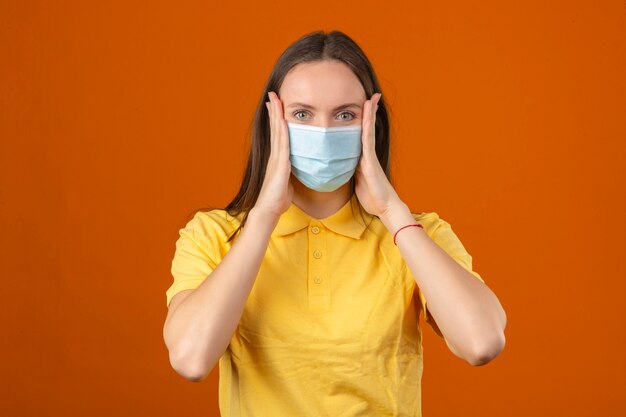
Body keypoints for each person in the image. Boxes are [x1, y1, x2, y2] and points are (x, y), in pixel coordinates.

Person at [163, 30, 507, 417]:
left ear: (371, 124)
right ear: (273, 121)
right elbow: (191, 359)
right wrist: (263, 217)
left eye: (346, 114)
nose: (324, 131)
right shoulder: (214, 234)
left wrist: (392, 212)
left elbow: (482, 342)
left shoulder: (419, 234)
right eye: (302, 114)